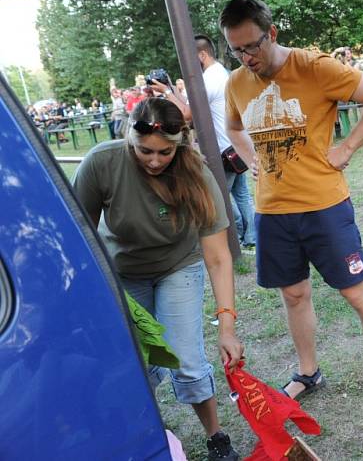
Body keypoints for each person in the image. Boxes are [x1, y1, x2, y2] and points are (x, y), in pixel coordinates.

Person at [219, 0, 363, 425]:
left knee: (356, 292)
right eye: (237, 50)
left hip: (324, 205)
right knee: (293, 293)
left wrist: (348, 146)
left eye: (252, 46)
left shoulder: (314, 67)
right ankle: (308, 371)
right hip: (273, 210)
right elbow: (232, 125)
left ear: (272, 34)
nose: (247, 58)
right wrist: (247, 154)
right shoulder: (236, 82)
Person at [72, 98, 244, 460]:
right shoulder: (101, 163)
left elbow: (217, 255)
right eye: (144, 151)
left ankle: (216, 436)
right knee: (136, 362)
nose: (153, 160)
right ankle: (147, 433)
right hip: (124, 273)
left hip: (177, 266)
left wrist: (227, 326)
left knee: (185, 359)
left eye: (164, 152)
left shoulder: (196, 172)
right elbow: (79, 236)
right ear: (128, 137)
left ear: (179, 143)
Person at [194, 34, 256, 249]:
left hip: (223, 148)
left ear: (202, 55)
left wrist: (166, 92)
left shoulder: (208, 78)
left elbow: (187, 114)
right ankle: (252, 236)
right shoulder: (222, 72)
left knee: (220, 196)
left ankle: (237, 235)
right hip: (236, 145)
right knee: (241, 194)